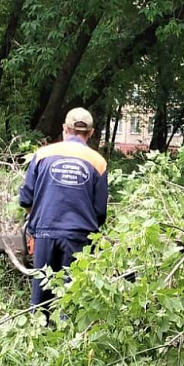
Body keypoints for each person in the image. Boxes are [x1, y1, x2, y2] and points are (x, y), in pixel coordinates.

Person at [19, 107, 108, 316]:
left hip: (44, 234)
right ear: (91, 133)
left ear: (64, 129)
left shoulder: (42, 154)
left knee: (41, 301)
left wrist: (40, 217)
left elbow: (25, 199)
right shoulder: (98, 162)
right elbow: (99, 212)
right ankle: (67, 344)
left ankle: (37, 339)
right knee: (71, 299)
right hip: (79, 238)